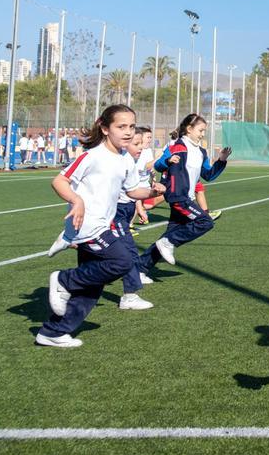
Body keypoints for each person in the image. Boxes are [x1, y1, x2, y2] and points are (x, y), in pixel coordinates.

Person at [37, 104, 156, 347]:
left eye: (131, 127)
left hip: (102, 225)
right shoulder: (92, 156)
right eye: (121, 126)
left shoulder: (125, 160)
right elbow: (59, 181)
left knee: (92, 286)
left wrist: (154, 190)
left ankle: (54, 332)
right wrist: (76, 200)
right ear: (104, 128)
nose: (128, 132)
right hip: (87, 226)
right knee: (122, 261)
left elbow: (134, 190)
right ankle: (63, 280)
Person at [138, 113, 229, 271]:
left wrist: (221, 160)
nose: (202, 134)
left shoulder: (201, 152)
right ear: (189, 129)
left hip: (187, 197)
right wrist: (168, 160)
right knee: (205, 222)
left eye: (204, 131)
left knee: (168, 236)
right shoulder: (177, 146)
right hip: (178, 196)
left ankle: (139, 269)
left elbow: (209, 175)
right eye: (200, 130)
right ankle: (168, 242)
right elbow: (159, 165)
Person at [111, 126, 163, 308]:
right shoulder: (119, 161)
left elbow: (133, 192)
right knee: (129, 252)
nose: (141, 147)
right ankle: (129, 296)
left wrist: (142, 204)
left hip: (125, 210)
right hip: (114, 213)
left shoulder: (131, 162)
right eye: (137, 143)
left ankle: (72, 284)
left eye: (142, 142)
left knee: (99, 255)